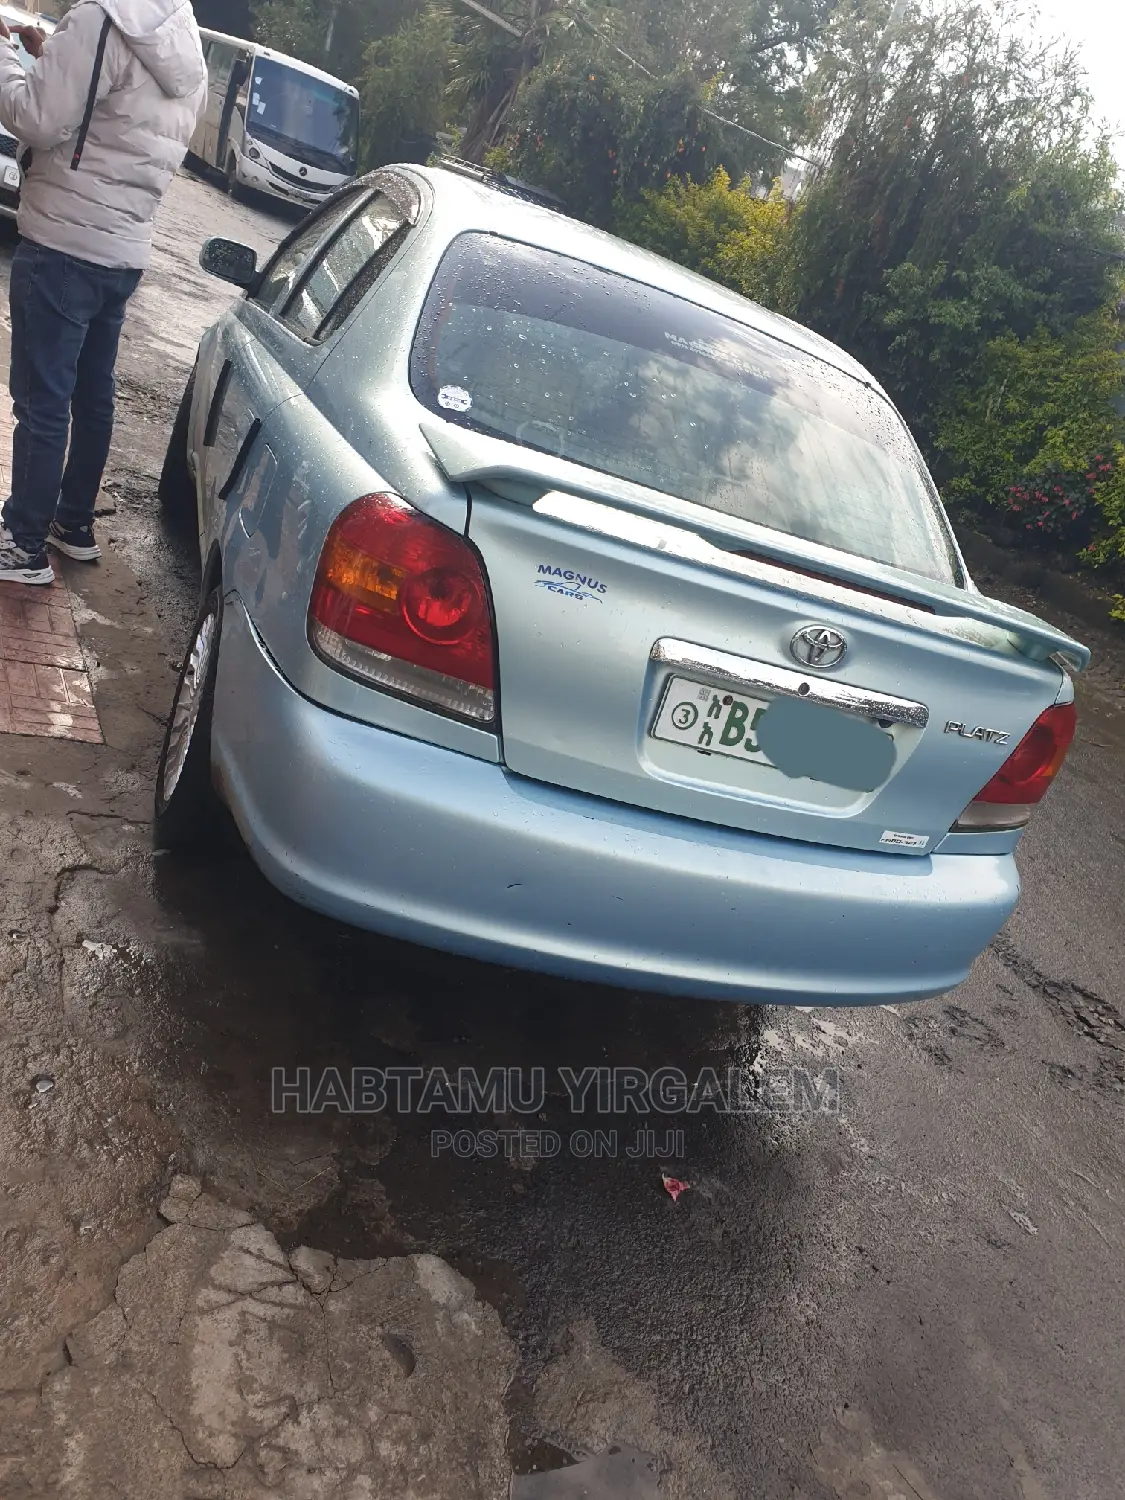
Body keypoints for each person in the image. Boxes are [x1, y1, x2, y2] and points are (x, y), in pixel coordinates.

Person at [0, 0, 207, 586]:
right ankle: (73, 524)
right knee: (90, 397)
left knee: (44, 399)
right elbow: (126, 126)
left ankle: (23, 544)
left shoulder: (100, 22)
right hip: (122, 252)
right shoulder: (186, 47)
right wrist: (51, 58)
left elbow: (36, 118)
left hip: (63, 240)